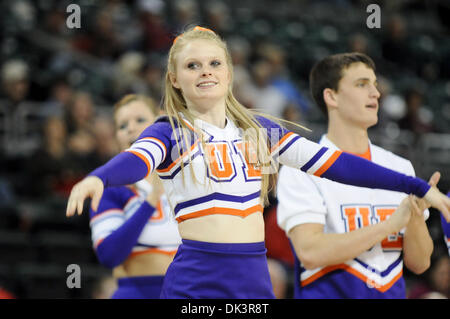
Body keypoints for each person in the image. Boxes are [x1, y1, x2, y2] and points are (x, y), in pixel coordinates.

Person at [66, 27, 450, 299]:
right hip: (197, 279)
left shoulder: (261, 131)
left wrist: (416, 187)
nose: (206, 72)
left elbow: (337, 164)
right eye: (193, 66)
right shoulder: (169, 130)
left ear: (229, 73)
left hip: (253, 279)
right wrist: (100, 177)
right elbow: (137, 158)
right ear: (175, 79)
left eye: (214, 63)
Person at [277, 52, 438, 299]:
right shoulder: (302, 168)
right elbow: (311, 253)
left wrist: (415, 218)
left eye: (374, 84)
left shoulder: (400, 167)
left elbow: (420, 263)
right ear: (331, 96)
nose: (375, 93)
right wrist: (391, 225)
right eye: (362, 84)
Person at [89, 94, 181, 298]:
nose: (130, 128)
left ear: (160, 123)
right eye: (122, 126)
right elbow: (109, 255)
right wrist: (151, 200)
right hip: (139, 292)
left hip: (193, 293)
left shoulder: (188, 179)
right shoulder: (111, 187)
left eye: (140, 120)